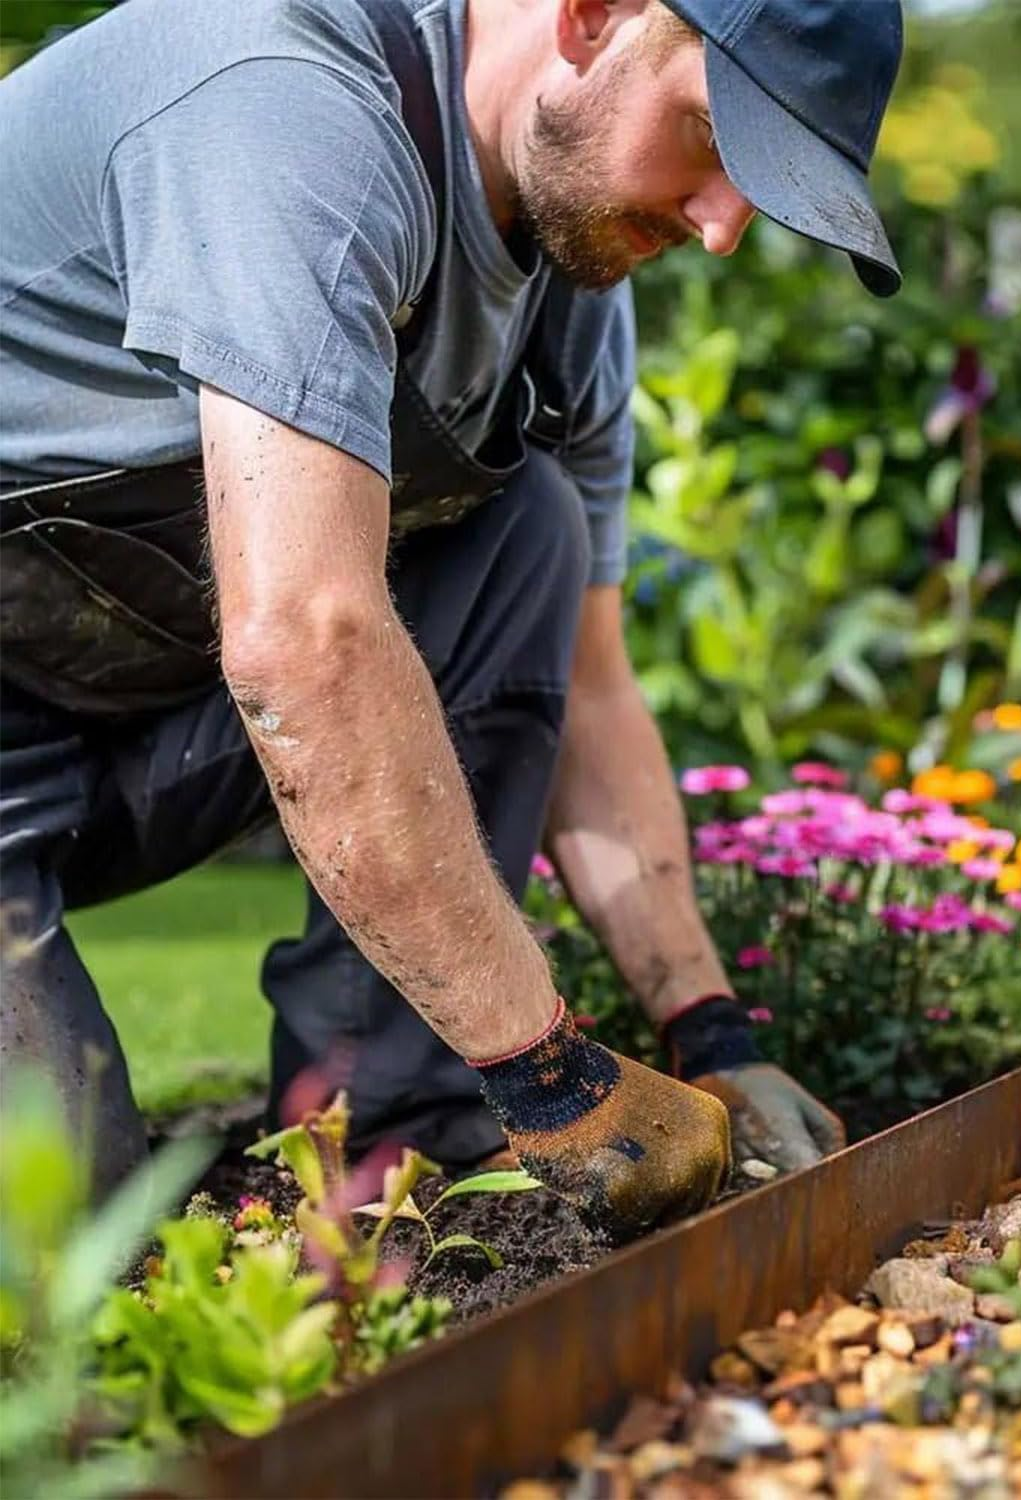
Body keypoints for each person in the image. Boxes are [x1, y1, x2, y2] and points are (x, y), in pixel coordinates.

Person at [0, 0, 903, 1241]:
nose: (723, 224)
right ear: (591, 16)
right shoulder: (283, 110)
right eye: (709, 133)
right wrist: (549, 1074)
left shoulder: (568, 279)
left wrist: (710, 1030)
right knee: (52, 1234)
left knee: (527, 521)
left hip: (119, 719)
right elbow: (301, 646)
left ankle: (397, 1132)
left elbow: (590, 690)